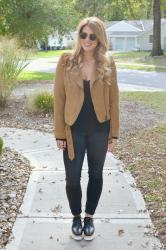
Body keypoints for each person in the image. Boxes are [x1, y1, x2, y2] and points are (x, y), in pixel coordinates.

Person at [53, 16, 119, 241]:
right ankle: (75, 216)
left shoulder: (108, 63)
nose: (87, 40)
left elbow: (114, 99)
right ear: (79, 36)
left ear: (99, 38)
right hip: (73, 130)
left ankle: (89, 217)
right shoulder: (65, 61)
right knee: (72, 178)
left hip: (100, 129)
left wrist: (114, 133)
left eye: (92, 36)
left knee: (96, 174)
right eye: (84, 35)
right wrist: (59, 134)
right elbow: (59, 99)